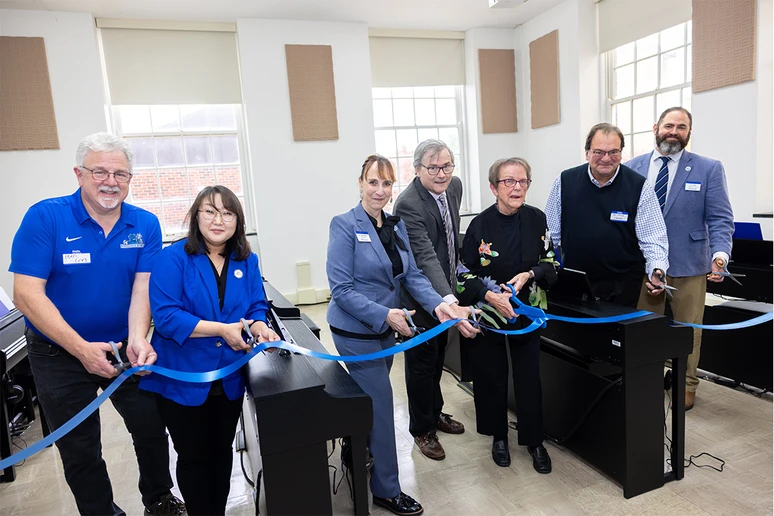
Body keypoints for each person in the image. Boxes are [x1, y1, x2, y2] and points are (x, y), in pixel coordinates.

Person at [9, 133, 185, 515]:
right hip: (58, 354)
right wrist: (81, 349)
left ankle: (159, 500)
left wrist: (138, 337)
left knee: (151, 425)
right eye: (100, 171)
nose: (110, 181)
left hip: (123, 348)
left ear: (130, 179)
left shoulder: (145, 224)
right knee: (80, 446)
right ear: (79, 174)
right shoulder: (46, 217)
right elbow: (26, 294)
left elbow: (143, 289)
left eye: (121, 174)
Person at [326, 154, 477, 516]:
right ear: (360, 183)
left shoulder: (394, 226)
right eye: (373, 182)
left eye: (387, 183)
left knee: (367, 401)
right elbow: (341, 289)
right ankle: (387, 490)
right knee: (380, 405)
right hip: (356, 330)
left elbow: (412, 275)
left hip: (388, 326)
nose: (380, 190)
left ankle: (354, 449)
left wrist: (442, 304)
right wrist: (385, 315)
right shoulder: (344, 225)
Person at [139, 186, 279, 515]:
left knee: (221, 452)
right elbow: (167, 317)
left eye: (228, 213)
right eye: (210, 212)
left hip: (228, 379)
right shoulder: (172, 259)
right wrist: (222, 330)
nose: (219, 220)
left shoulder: (247, 259)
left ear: (238, 221)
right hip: (183, 379)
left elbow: (257, 305)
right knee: (193, 456)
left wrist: (260, 327)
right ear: (195, 217)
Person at [626, 107, 734, 411]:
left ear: (689, 132)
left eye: (682, 127)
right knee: (642, 328)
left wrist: (720, 255)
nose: (674, 131)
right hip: (645, 267)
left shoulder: (708, 168)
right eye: (669, 125)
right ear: (656, 127)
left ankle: (686, 385)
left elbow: (720, 218)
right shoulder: (632, 167)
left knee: (689, 331)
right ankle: (645, 379)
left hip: (689, 265)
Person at [456, 158, 557, 472]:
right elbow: (461, 274)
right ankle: (498, 436)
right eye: (508, 182)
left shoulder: (537, 219)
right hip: (489, 316)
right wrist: (489, 296)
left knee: (529, 378)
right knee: (491, 377)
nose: (517, 187)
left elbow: (552, 263)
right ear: (493, 187)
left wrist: (530, 274)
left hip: (528, 314)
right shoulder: (479, 225)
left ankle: (534, 440)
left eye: (522, 181)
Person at [392, 139, 466, 461]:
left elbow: (448, 243)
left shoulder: (455, 187)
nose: (441, 173)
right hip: (419, 297)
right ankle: (422, 429)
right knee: (421, 365)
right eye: (433, 167)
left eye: (447, 166)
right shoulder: (408, 204)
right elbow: (425, 257)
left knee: (438, 360)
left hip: (447, 290)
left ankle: (435, 412)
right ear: (417, 169)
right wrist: (447, 300)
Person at [545, 123, 669, 307]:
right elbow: (550, 235)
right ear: (587, 153)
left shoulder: (639, 186)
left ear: (621, 153)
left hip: (624, 286)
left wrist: (657, 270)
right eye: (599, 152)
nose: (606, 158)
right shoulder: (564, 182)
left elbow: (653, 238)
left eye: (613, 152)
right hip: (576, 282)